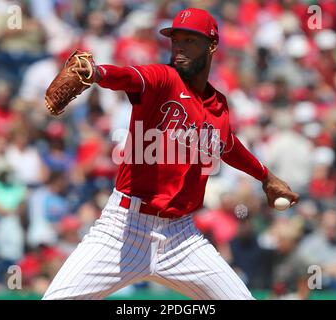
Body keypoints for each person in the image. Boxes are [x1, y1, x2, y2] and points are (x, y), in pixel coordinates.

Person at [43, 8, 299, 300]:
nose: (179, 48)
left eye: (190, 41)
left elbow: (226, 144)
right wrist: (98, 73)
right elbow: (130, 77)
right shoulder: (163, 79)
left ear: (212, 46)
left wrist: (265, 177)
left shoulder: (219, 105)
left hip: (181, 238)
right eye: (176, 40)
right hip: (123, 229)